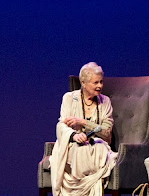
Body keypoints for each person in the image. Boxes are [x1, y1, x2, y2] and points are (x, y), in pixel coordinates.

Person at [49, 62, 117, 196]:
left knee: (99, 150)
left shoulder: (105, 102)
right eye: (95, 82)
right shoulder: (69, 98)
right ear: (83, 83)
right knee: (78, 150)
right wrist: (74, 135)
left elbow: (107, 132)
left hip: (97, 146)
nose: (100, 86)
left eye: (101, 82)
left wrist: (83, 122)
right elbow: (61, 125)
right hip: (72, 145)